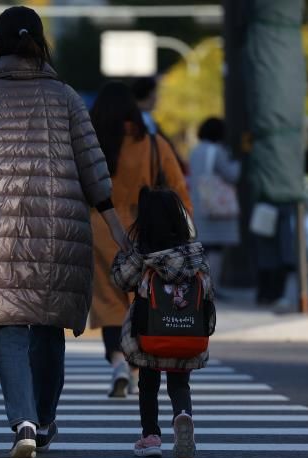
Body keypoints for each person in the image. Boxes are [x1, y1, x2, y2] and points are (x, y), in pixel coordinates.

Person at [0, 6, 127, 458]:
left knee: (8, 325)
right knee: (48, 325)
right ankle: (44, 419)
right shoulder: (65, 97)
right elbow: (93, 166)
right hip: (60, 230)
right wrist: (112, 220)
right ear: (40, 42)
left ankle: (23, 420)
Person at [89, 81, 192, 398]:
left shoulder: (92, 145)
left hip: (100, 228)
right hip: (146, 232)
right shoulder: (152, 144)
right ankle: (135, 366)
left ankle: (118, 362)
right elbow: (178, 189)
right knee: (143, 299)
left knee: (109, 303)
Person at [111, 187, 214, 458]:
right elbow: (208, 291)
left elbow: (120, 280)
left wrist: (124, 254)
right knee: (179, 384)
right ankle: (183, 415)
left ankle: (151, 436)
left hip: (150, 334)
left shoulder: (144, 255)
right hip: (187, 335)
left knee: (148, 384)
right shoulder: (195, 256)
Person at [188, 117, 240, 295]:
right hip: (215, 210)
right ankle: (210, 288)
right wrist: (238, 163)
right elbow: (231, 174)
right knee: (216, 249)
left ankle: (199, 287)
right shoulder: (217, 151)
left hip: (199, 206)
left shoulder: (195, 151)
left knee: (202, 249)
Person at [132, 76, 189, 176]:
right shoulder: (143, 120)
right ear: (149, 94)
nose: (157, 97)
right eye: (155, 92)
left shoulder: (140, 117)